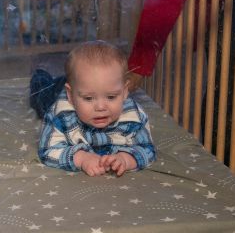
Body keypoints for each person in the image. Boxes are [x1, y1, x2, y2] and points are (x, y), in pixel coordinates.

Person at [35, 41, 156, 176]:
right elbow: (47, 151)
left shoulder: (134, 117)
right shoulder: (61, 115)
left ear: (125, 91)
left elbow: (147, 149)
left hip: (79, 87)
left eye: (111, 97)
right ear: (70, 95)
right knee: (42, 97)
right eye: (88, 98)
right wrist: (81, 158)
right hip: (54, 95)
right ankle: (41, 76)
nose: (100, 107)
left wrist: (126, 159)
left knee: (83, 84)